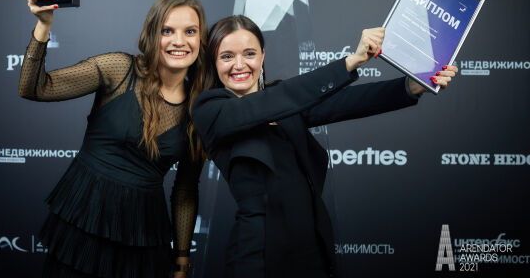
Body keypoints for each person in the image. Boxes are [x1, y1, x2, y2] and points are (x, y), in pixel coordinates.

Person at [192, 15, 458, 278]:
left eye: (249, 53)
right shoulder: (210, 110)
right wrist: (351, 61)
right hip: (258, 257)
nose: (239, 64)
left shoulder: (286, 102)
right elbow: (274, 101)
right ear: (214, 62)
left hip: (312, 252)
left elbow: (351, 101)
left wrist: (411, 86)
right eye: (227, 56)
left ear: (263, 55)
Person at [19, 0, 207, 277]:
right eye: (167, 30)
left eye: (190, 31)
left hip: (144, 233)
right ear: (152, 34)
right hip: (85, 217)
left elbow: (185, 190)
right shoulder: (119, 69)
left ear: (201, 39)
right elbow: (34, 88)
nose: (179, 41)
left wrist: (182, 260)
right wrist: (43, 26)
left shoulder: (199, 109)